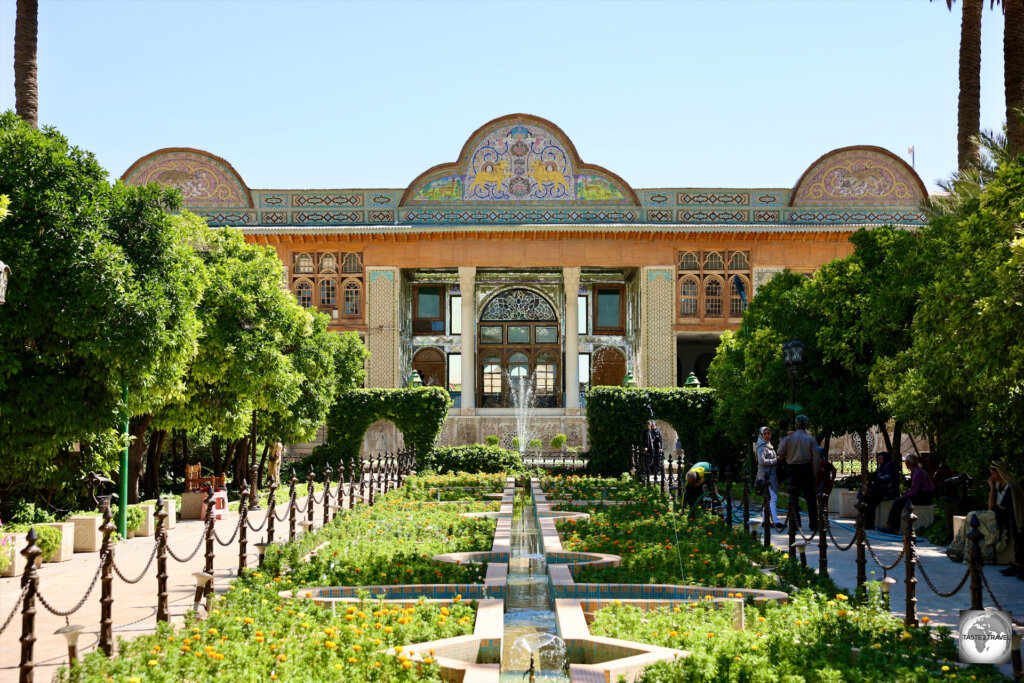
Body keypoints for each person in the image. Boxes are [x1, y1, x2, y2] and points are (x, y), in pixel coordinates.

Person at [946, 461, 1024, 576]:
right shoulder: (998, 485)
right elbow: (991, 506)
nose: (991, 476)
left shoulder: (1010, 486)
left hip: (1006, 517)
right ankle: (961, 551)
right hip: (996, 513)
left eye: (993, 473)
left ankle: (1018, 565)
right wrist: (992, 489)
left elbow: (1005, 508)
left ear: (1000, 473)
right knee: (971, 516)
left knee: (973, 515)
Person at [776, 414, 819, 530]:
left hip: (793, 468)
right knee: (810, 497)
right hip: (806, 468)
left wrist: (787, 455)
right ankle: (814, 524)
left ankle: (796, 523)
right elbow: (815, 458)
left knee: (793, 497)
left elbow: (780, 451)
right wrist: (814, 473)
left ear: (796, 424)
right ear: (806, 425)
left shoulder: (789, 438)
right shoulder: (811, 439)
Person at [878, 454, 934, 534]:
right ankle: (892, 526)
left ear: (908, 463)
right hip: (922, 495)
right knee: (899, 500)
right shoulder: (916, 471)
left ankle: (893, 527)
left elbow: (914, 491)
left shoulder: (917, 473)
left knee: (898, 502)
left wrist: (904, 496)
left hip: (923, 496)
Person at [755, 426, 783, 531]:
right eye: (765, 434)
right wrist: (775, 460)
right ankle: (775, 521)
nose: (767, 435)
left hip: (771, 475)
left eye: (769, 433)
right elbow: (762, 461)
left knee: (768, 498)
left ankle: (764, 520)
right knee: (773, 497)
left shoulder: (768, 445)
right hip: (766, 476)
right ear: (761, 435)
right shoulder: (761, 446)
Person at [862, 452, 899, 530]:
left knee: (871, 500)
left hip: (888, 492)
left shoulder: (889, 467)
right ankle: (865, 521)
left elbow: (887, 480)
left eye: (880, 458)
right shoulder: (882, 467)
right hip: (880, 490)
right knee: (865, 498)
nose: (878, 460)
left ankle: (870, 523)